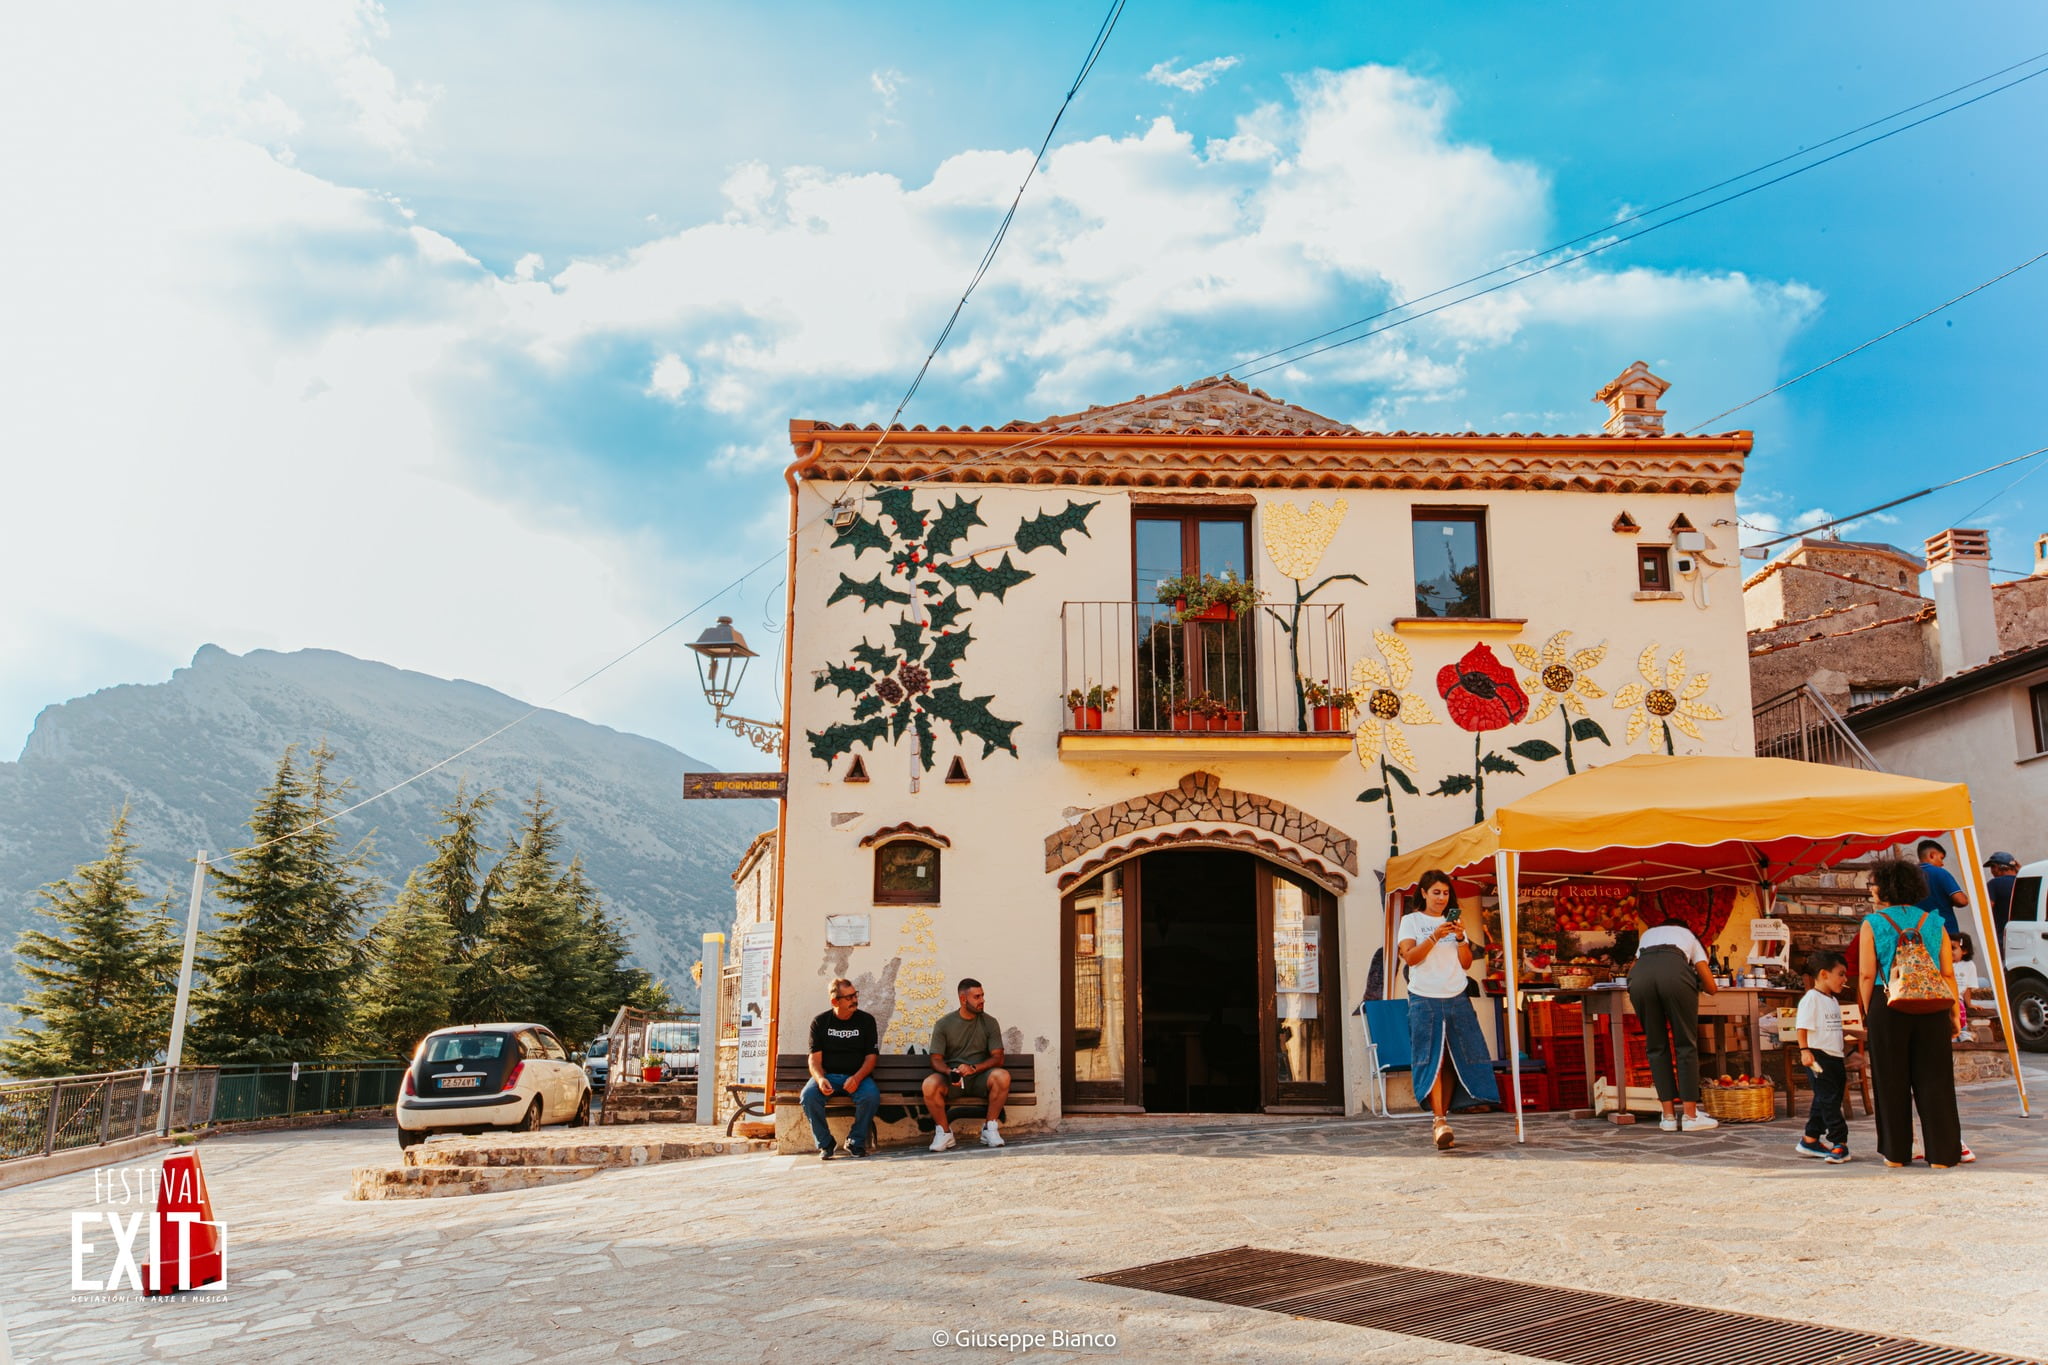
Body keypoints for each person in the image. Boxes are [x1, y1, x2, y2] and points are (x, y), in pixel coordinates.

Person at [1859, 858, 1963, 1169]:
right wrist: (1954, 1012)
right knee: (1936, 1078)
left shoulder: (1873, 923)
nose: (1872, 889)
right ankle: (1943, 1155)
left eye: (1874, 883)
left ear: (1887, 887)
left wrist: (1868, 1012)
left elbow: (1866, 975)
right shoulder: (1935, 922)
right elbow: (1947, 973)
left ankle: (1896, 1153)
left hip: (1887, 1000)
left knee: (1890, 1079)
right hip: (1932, 1002)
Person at [1396, 870, 1498, 1151]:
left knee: (1456, 1056)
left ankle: (1446, 1118)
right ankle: (1439, 1120)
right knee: (1433, 1058)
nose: (1441, 898)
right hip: (1424, 997)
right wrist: (1434, 937)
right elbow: (1411, 958)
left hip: (1456, 995)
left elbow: (1466, 964)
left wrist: (1462, 939)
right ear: (1424, 894)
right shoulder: (1411, 921)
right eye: (1436, 892)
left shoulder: (1454, 923)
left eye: (1445, 893)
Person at [1628, 914, 1721, 1133]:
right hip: (1674, 976)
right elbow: (1710, 983)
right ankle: (1690, 1116)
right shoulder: (1689, 936)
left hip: (1640, 980)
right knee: (1685, 1044)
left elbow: (1634, 967)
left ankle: (1668, 1117)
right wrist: (1707, 987)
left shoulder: (1647, 935)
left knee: (1656, 1046)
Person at [923, 978, 1010, 1153]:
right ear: (963, 999)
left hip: (980, 1078)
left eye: (982, 995)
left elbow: (998, 1058)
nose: (982, 1000)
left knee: (1002, 1076)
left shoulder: (990, 1022)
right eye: (977, 997)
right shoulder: (944, 1024)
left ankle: (990, 1129)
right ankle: (944, 1132)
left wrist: (974, 1068)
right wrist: (950, 1072)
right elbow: (935, 1059)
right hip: (953, 1080)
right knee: (929, 1084)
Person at [800, 978, 879, 1160]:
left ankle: (855, 1141)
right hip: (829, 1076)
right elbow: (814, 1059)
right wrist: (820, 1079)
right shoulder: (820, 1022)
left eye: (855, 995)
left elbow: (871, 1058)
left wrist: (857, 1078)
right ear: (835, 1001)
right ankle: (826, 1143)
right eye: (849, 997)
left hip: (857, 1077)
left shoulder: (866, 1021)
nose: (854, 1000)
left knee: (871, 1095)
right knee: (808, 1096)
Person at [1794, 950, 1853, 1164]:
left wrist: (1849, 1053)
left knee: (1826, 1098)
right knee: (1829, 1101)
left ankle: (1810, 1139)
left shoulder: (1832, 1001)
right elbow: (1801, 1028)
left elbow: (1834, 1031)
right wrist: (1804, 1051)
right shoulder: (1811, 998)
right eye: (1841, 974)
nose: (1845, 979)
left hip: (1835, 1057)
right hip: (1818, 1057)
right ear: (1824, 974)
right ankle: (1840, 1143)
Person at [1915, 839, 1968, 940]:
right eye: (1941, 858)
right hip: (1946, 930)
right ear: (1932, 855)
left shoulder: (1908, 875)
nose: (1942, 863)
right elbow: (1961, 901)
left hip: (1918, 933)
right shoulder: (1940, 873)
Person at [1984, 852, 2019, 950]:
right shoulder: (2025, 882)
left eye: (1992, 867)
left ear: (1996, 867)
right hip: (2025, 936)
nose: (1992, 871)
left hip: (2003, 938)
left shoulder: (1994, 884)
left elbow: (1987, 909)